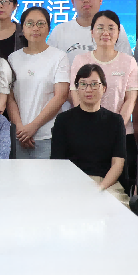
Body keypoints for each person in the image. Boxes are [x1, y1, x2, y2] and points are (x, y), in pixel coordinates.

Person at [69, 10, 138, 183]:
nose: (105, 32)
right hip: (85, 132)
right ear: (92, 32)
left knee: (120, 186)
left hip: (121, 134)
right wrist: (89, 125)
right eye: (100, 28)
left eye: (111, 28)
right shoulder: (80, 60)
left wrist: (115, 128)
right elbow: (75, 94)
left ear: (118, 33)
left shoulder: (129, 61)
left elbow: (130, 99)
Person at [51, 64, 128, 204]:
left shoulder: (115, 121)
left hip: (106, 184)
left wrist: (100, 188)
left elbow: (118, 164)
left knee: (116, 207)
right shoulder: (63, 120)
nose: (88, 89)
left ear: (104, 88)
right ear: (77, 89)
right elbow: (58, 163)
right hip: (72, 183)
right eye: (83, 84)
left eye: (94, 84)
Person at [7, 7, 69, 159]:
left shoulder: (59, 57)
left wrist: (33, 126)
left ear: (48, 28)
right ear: (22, 29)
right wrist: (20, 128)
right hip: (19, 136)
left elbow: (60, 96)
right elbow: (9, 98)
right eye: (30, 23)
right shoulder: (13, 58)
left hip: (48, 135)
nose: (35, 28)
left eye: (41, 23)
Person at [46, 0, 132, 63]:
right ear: (73, 2)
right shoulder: (59, 31)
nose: (85, 0)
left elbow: (127, 63)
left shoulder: (115, 29)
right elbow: (49, 64)